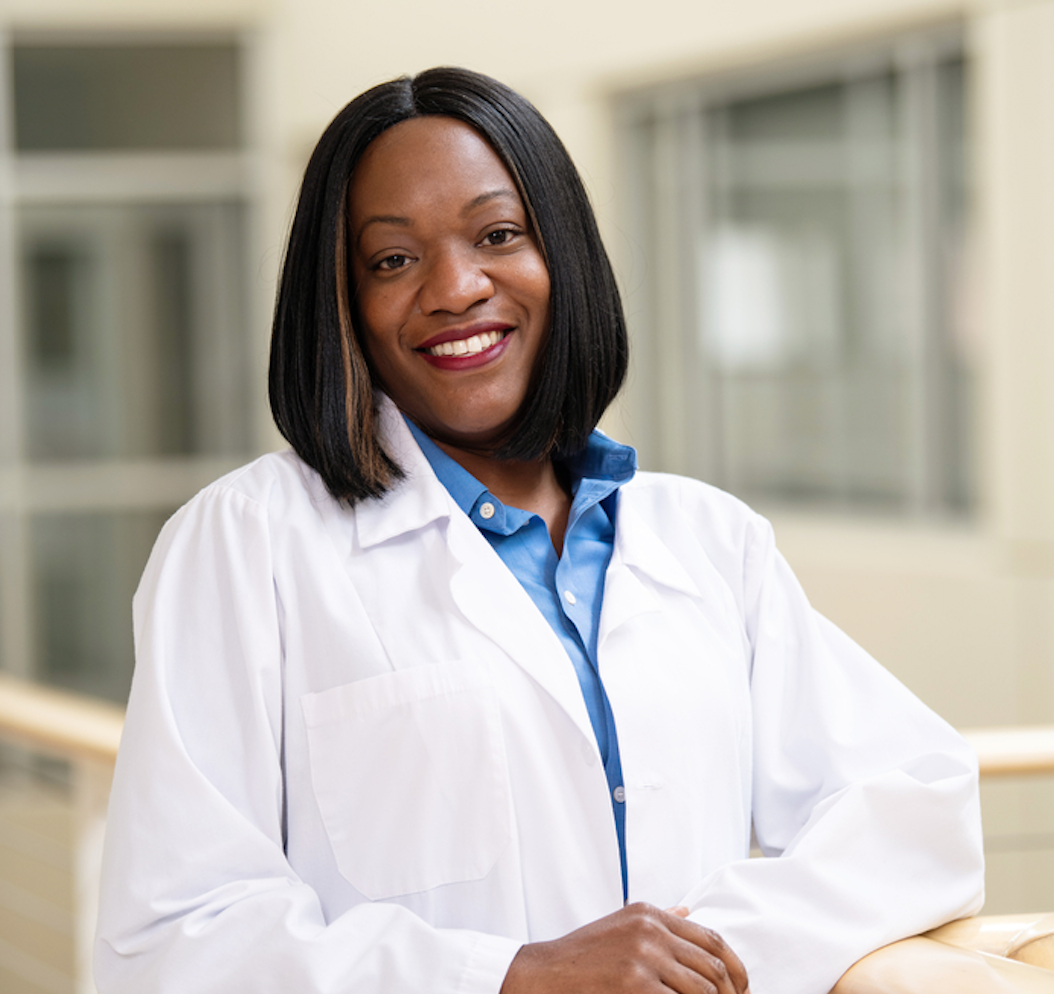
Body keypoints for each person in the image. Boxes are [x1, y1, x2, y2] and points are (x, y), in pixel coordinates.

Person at [95, 67, 984, 994]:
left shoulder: (710, 541)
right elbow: (170, 939)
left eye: (498, 235)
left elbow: (917, 808)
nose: (454, 287)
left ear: (562, 253)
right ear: (344, 306)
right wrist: (512, 978)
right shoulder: (245, 545)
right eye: (392, 260)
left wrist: (711, 955)